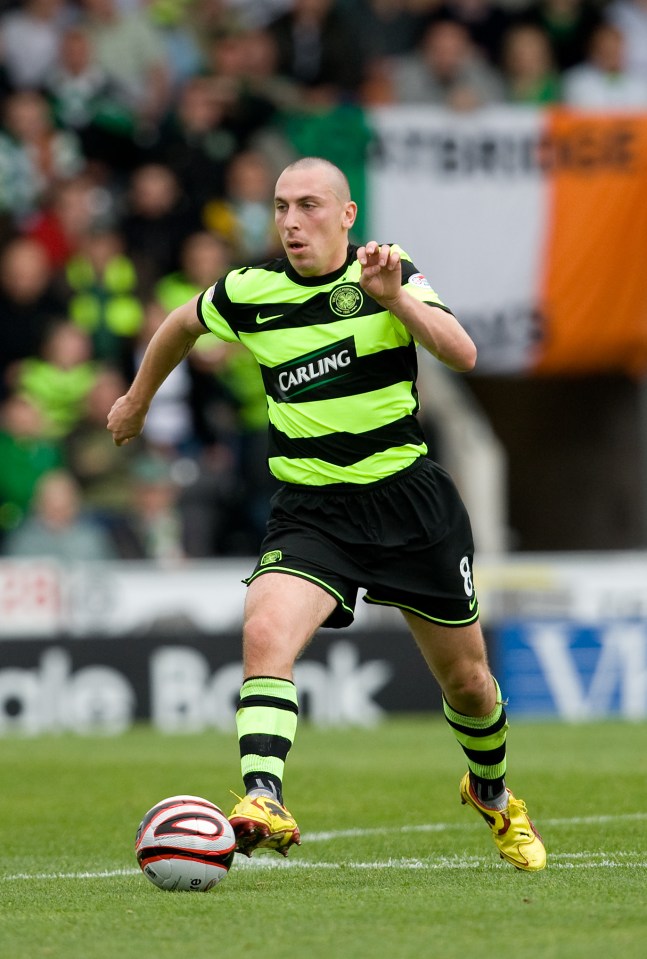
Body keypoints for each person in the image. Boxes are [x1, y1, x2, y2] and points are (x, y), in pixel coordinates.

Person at [107, 156, 546, 872]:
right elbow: (179, 325)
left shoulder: (386, 269)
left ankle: (492, 793)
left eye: (308, 205)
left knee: (468, 682)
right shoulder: (249, 291)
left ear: (345, 215)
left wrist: (393, 299)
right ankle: (262, 794)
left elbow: (461, 352)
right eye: (280, 206)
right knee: (265, 628)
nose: (289, 220)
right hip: (312, 510)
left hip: (407, 501)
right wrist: (137, 399)